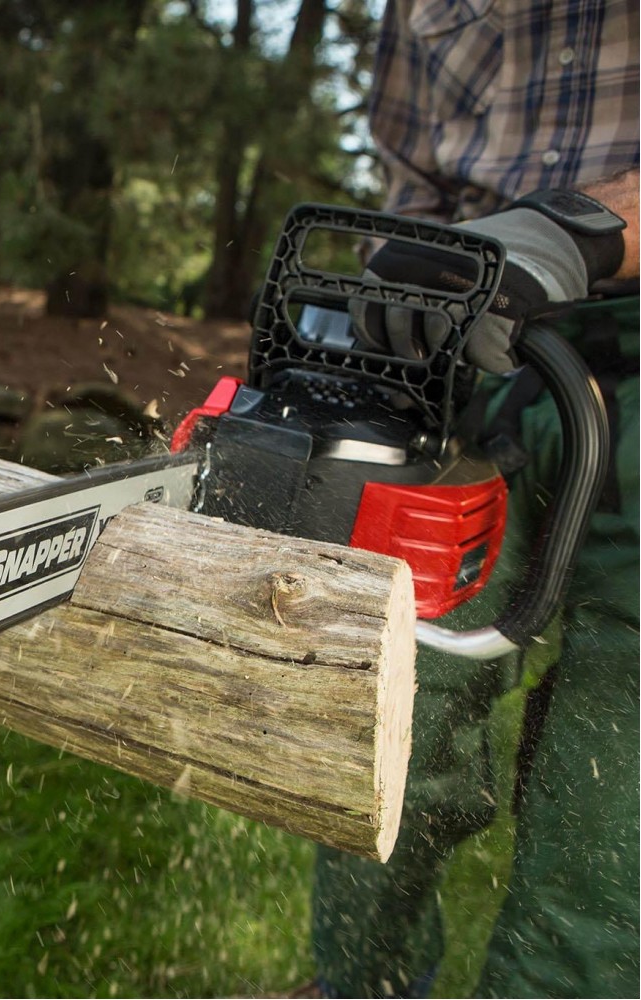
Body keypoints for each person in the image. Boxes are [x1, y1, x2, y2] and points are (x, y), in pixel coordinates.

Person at [303, 1, 639, 997]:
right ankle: (356, 983)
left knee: (608, 808)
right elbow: (418, 181)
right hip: (479, 354)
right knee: (388, 713)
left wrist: (579, 226)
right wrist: (407, 290)